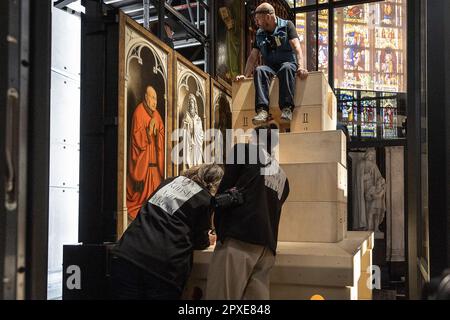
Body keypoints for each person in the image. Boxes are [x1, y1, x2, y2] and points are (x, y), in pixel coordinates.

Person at [111, 164, 224, 300]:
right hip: (162, 268)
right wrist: (208, 239)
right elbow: (199, 241)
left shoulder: (169, 182)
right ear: (216, 184)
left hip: (128, 253)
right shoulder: (205, 199)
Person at [205, 124, 290, 300]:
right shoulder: (283, 177)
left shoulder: (245, 151)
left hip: (239, 241)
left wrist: (219, 230)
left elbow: (223, 193)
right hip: (267, 249)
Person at [235, 2, 308, 125]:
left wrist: (301, 67)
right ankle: (262, 111)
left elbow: (297, 48)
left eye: (258, 19)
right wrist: (245, 75)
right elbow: (253, 56)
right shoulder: (259, 33)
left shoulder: (287, 26)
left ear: (268, 17)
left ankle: (287, 108)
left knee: (286, 67)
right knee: (259, 70)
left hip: (288, 64)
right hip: (271, 67)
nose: (256, 22)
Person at [127, 86, 165, 220]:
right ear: (146, 97)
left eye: (156, 98)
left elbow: (161, 135)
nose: (155, 101)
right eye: (152, 98)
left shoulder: (157, 115)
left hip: (155, 163)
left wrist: (157, 132)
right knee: (141, 199)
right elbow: (137, 138)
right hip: (144, 163)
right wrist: (149, 132)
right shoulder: (139, 112)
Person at [182, 94, 204, 168]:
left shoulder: (198, 119)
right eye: (190, 102)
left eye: (192, 102)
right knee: (190, 159)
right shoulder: (186, 117)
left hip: (196, 143)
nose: (191, 104)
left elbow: (201, 133)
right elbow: (183, 131)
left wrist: (197, 132)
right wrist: (186, 126)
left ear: (195, 104)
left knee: (197, 161)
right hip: (189, 142)